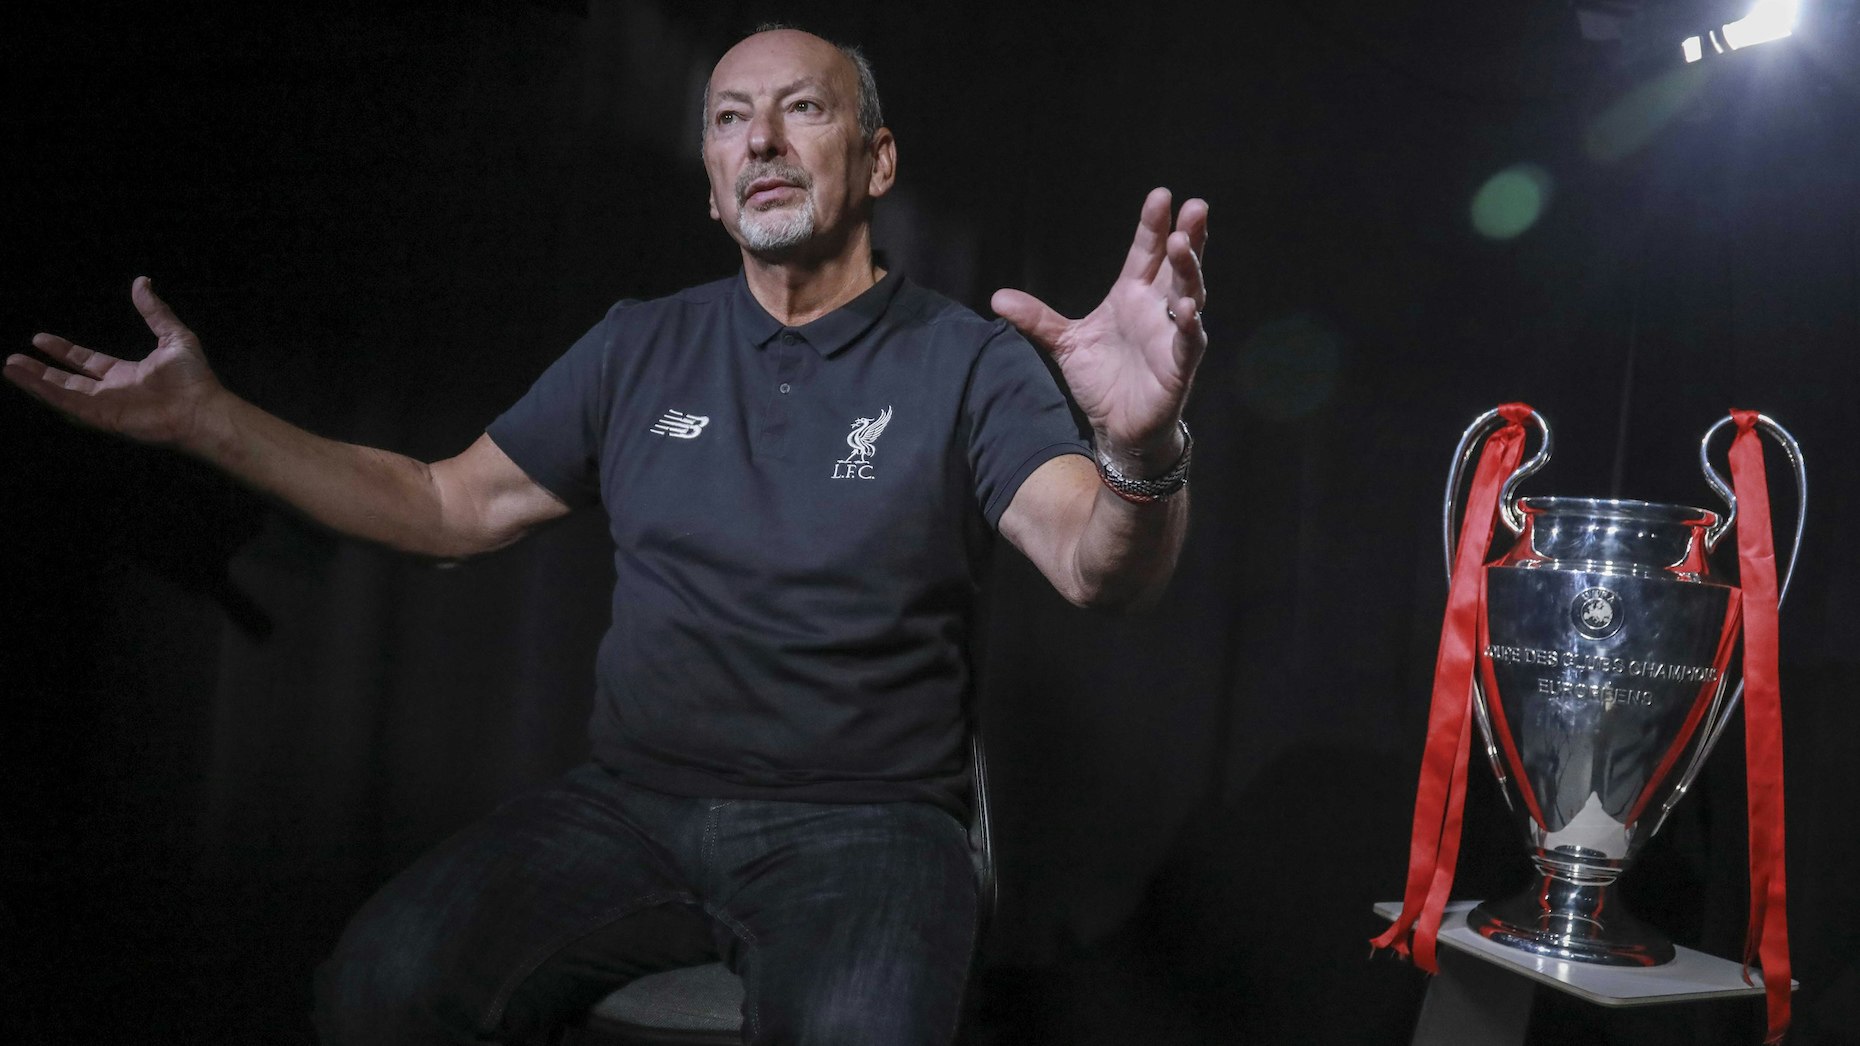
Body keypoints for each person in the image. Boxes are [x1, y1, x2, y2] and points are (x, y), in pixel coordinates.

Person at [5, 25, 1208, 1046]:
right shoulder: (639, 344)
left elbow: (1096, 566)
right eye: (730, 119)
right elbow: (446, 506)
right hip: (633, 808)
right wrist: (209, 420)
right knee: (381, 984)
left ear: (877, 158)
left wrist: (1143, 450)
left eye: (802, 109)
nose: (762, 140)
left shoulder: (969, 359)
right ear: (711, 181)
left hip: (871, 822)